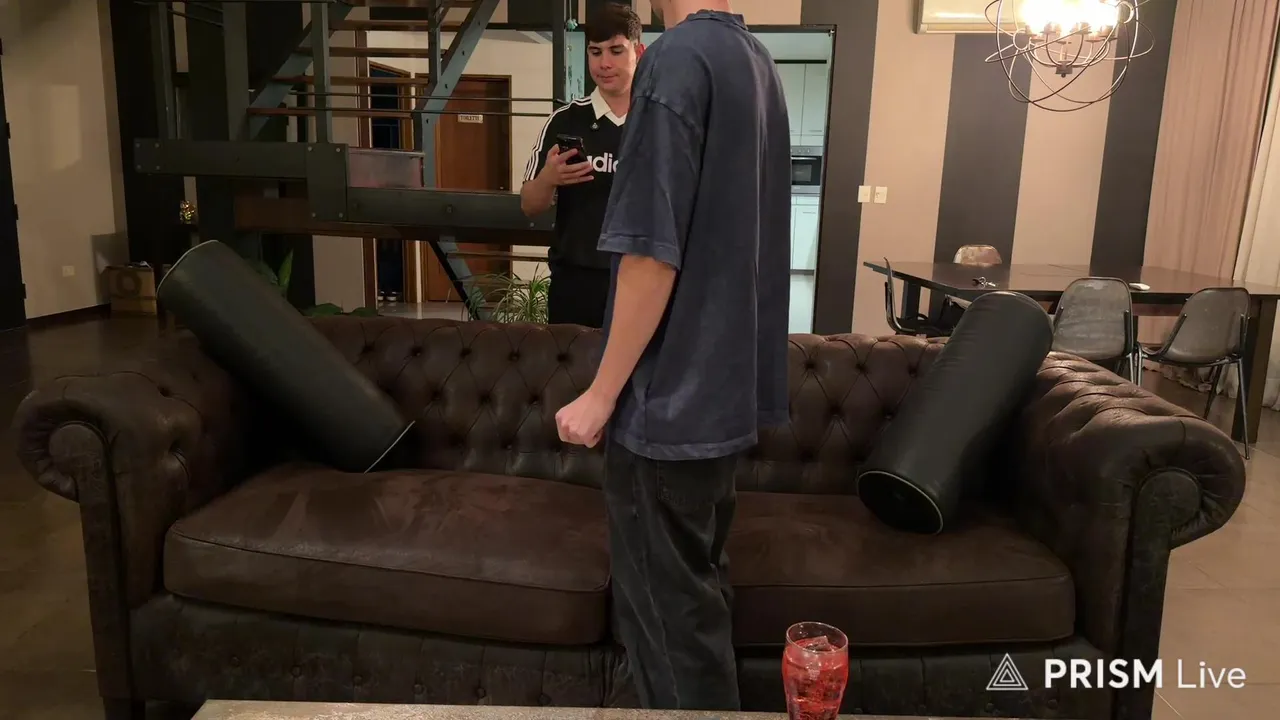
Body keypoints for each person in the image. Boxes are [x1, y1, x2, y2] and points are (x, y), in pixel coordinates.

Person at [554, 0, 791, 711]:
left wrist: (601, 394)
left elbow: (650, 255)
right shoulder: (756, 62)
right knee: (696, 609)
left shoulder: (676, 61)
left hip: (669, 406)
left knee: (668, 631)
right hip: (720, 400)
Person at [520, 3, 645, 328]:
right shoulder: (564, 121)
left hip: (643, 281)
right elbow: (529, 205)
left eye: (616, 51)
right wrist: (549, 178)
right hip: (575, 284)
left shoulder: (658, 122)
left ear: (638, 52)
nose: (604, 63)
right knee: (572, 363)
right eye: (595, 52)